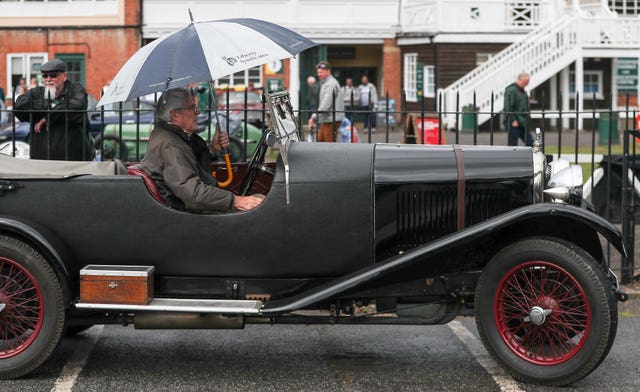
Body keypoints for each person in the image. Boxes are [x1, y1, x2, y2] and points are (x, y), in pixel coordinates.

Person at [140, 88, 263, 213]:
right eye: (192, 108)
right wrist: (236, 201)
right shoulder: (171, 145)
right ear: (175, 115)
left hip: (189, 209)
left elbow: (189, 160)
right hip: (188, 215)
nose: (198, 112)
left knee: (259, 202)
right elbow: (191, 192)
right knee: (260, 206)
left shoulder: (172, 137)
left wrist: (213, 149)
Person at [13, 59, 94, 160]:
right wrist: (47, 108)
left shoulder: (75, 89)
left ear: (64, 76)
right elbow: (19, 107)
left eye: (53, 75)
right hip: (41, 161)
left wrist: (47, 118)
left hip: (72, 161)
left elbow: (77, 106)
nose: (48, 79)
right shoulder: (37, 92)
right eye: (45, 76)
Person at [307, 62, 344, 142]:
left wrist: (314, 117)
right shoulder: (326, 83)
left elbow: (325, 105)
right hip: (327, 119)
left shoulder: (330, 84)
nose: (319, 74)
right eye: (318, 72)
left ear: (328, 72)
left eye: (321, 72)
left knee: (328, 146)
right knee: (320, 142)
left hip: (331, 119)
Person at [503, 72, 533, 146]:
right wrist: (513, 120)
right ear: (520, 80)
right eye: (526, 82)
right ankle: (511, 158)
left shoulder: (522, 91)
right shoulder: (512, 90)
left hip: (523, 121)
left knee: (531, 143)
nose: (527, 84)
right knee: (512, 146)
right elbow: (508, 106)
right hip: (514, 122)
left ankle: (532, 157)